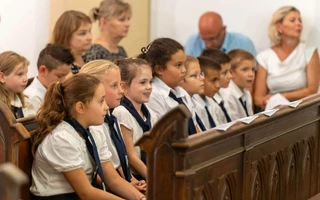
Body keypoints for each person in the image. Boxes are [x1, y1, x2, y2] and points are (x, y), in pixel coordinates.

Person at [30, 74, 145, 200]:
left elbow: (113, 180)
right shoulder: (61, 138)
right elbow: (86, 193)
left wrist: (140, 198)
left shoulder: (94, 132)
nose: (106, 107)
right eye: (101, 101)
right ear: (81, 107)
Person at [79, 60, 147, 192]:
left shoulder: (111, 117)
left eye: (120, 85)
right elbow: (97, 173)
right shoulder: (93, 125)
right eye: (114, 86)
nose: (122, 91)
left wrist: (133, 181)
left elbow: (118, 162)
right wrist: (127, 188)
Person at [254, 6, 320, 110]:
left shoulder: (310, 52)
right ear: (279, 27)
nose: (298, 24)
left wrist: (281, 97)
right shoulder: (264, 57)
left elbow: (312, 90)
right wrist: (275, 102)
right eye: (292, 20)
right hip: (274, 111)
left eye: (300, 21)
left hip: (303, 109)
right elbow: (258, 98)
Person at [140, 38, 201, 135]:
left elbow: (195, 127)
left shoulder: (182, 93)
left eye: (184, 64)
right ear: (159, 69)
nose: (184, 70)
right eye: (178, 65)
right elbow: (165, 135)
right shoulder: (153, 95)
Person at [112, 58, 158, 180]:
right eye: (143, 83)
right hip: (135, 175)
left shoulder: (151, 114)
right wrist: (155, 180)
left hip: (149, 170)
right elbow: (131, 156)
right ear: (124, 86)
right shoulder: (122, 112)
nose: (149, 87)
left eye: (151, 82)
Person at [24, 44, 74, 115]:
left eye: (66, 75)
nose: (64, 80)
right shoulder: (32, 98)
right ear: (43, 70)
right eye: (60, 76)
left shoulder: (57, 92)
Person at [185, 11, 257, 57]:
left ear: (223, 29)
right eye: (204, 39)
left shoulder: (243, 44)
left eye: (213, 39)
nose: (208, 44)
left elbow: (254, 73)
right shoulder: (192, 42)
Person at [220, 49, 255, 121]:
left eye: (253, 69)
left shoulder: (246, 93)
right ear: (231, 72)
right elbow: (234, 126)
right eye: (245, 70)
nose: (251, 74)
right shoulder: (228, 96)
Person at [191, 56, 225, 128]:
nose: (218, 85)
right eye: (213, 80)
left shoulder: (212, 103)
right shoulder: (193, 106)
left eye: (218, 80)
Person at [201, 48, 232, 123]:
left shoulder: (223, 95)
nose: (230, 76)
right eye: (224, 73)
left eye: (229, 71)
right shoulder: (207, 100)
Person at [179, 56, 207, 130]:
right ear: (181, 80)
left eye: (201, 74)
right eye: (194, 75)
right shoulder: (180, 106)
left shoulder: (197, 105)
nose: (202, 78)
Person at [0, 51, 29, 118]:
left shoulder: (25, 100)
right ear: (2, 77)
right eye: (20, 74)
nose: (25, 79)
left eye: (26, 74)